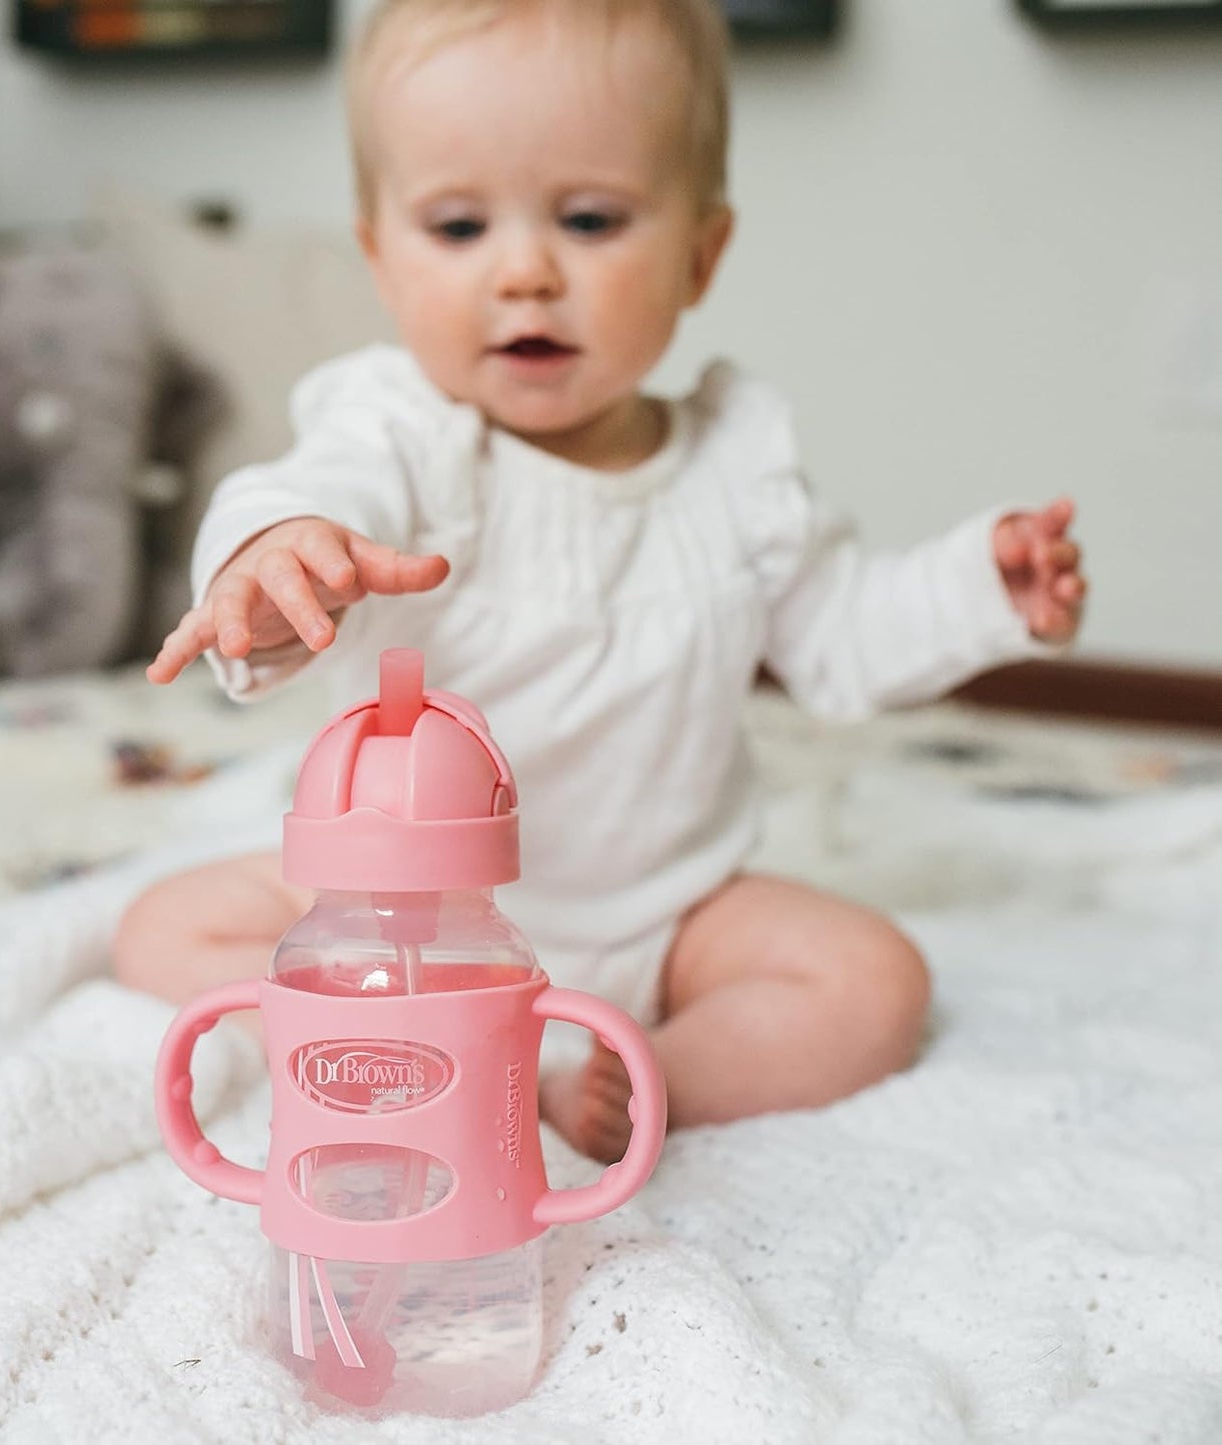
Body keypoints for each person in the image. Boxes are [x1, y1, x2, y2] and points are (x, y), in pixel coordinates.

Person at [115, 0, 1087, 1164]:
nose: (524, 271)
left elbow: (843, 639)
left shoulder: (736, 466)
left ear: (698, 254)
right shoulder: (400, 435)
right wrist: (275, 563)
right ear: (381, 256)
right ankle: (388, 1038)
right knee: (168, 927)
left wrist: (980, 587)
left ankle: (627, 1070)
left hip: (667, 919)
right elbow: (304, 495)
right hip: (405, 915)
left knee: (874, 978)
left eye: (587, 219)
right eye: (460, 225)